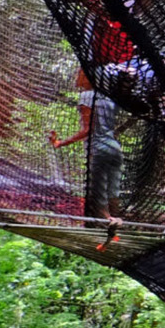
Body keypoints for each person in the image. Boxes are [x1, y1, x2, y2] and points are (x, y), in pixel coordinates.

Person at [51, 71, 124, 221]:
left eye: (81, 74)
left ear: (89, 78)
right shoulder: (106, 96)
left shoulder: (87, 96)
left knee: (98, 194)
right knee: (112, 191)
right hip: (114, 147)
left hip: (98, 148)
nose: (77, 76)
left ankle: (107, 225)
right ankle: (117, 225)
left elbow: (87, 129)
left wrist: (60, 143)